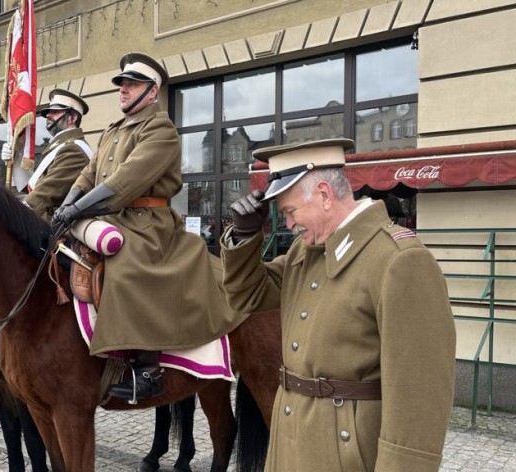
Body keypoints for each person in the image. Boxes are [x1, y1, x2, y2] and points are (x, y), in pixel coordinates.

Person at [220, 138, 456, 471]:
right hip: (291, 444)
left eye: (290, 211)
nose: (288, 224)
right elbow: (247, 296)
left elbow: (419, 398)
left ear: (323, 195)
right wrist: (244, 237)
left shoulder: (400, 261)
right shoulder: (307, 252)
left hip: (346, 456)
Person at [51, 52, 233, 401]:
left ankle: (146, 369)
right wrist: (65, 206)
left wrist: (76, 210)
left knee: (127, 265)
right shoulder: (112, 131)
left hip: (148, 225)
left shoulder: (161, 129)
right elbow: (88, 175)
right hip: (111, 218)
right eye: (121, 83)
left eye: (131, 84)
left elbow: (125, 182)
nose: (123, 90)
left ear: (152, 92)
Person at [2, 89, 92, 221]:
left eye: (55, 112)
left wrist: (13, 214)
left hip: (63, 228)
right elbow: (35, 187)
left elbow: (45, 194)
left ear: (73, 118)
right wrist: (15, 161)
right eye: (49, 112)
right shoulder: (60, 146)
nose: (48, 115)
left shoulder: (74, 150)